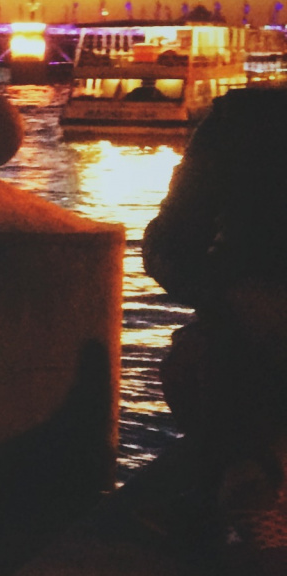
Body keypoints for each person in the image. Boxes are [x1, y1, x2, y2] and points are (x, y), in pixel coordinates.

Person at [145, 88, 287, 569]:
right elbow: (171, 244)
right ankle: (257, 481)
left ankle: (250, 482)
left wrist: (232, 297)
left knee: (206, 363)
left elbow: (168, 246)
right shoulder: (243, 121)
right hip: (249, 336)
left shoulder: (242, 119)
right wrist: (242, 299)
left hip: (243, 343)